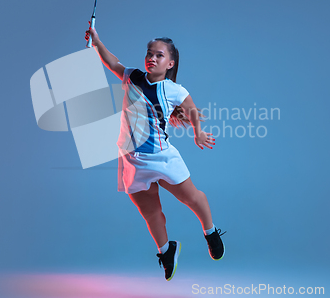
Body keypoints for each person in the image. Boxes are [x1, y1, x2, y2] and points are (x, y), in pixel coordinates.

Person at [85, 25, 225, 281]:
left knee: (192, 198)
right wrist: (96, 42)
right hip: (131, 160)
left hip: (162, 158)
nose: (152, 58)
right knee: (150, 212)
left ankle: (211, 232)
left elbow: (192, 110)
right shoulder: (133, 77)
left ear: (170, 63)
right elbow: (113, 62)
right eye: (149, 53)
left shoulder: (174, 90)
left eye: (159, 55)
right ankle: (166, 250)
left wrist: (199, 132)